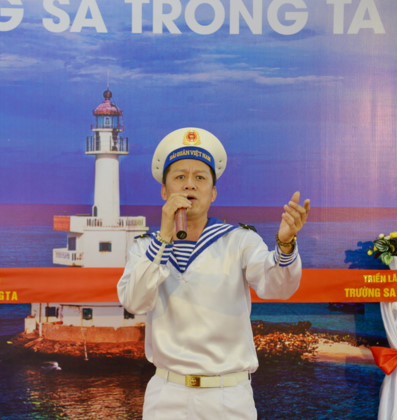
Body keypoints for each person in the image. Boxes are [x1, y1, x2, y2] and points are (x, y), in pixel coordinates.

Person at [117, 127, 310, 420]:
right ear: (164, 191)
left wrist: (285, 244)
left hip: (227, 395)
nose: (189, 185)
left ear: (213, 193)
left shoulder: (239, 241)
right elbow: (134, 302)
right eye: (179, 177)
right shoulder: (145, 247)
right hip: (167, 393)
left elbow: (277, 287)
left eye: (200, 178)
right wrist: (164, 238)